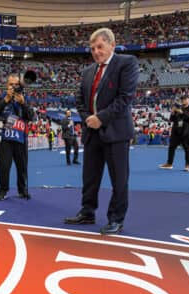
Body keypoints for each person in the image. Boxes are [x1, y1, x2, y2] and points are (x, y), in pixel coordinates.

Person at [64, 27, 139, 235]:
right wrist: (89, 118)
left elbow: (125, 98)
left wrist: (100, 118)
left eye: (100, 46)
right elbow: (79, 99)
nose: (96, 51)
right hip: (92, 132)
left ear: (112, 45)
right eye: (92, 48)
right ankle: (87, 212)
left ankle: (116, 219)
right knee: (90, 177)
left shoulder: (127, 63)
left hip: (116, 132)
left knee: (119, 179)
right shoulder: (88, 71)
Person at [0, 73, 35, 200]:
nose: (14, 87)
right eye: (11, 84)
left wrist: (23, 103)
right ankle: (3, 190)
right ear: (6, 85)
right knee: (4, 166)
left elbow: (31, 116)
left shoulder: (24, 98)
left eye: (16, 84)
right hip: (4, 137)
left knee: (22, 166)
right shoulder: (0, 97)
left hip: (20, 137)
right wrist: (6, 100)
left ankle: (23, 190)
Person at [158, 94, 189, 172]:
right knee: (171, 147)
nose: (183, 100)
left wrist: (181, 112)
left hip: (187, 131)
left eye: (185, 99)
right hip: (176, 131)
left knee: (187, 148)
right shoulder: (179, 107)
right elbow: (171, 119)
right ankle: (169, 164)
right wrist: (173, 112)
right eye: (182, 99)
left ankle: (187, 165)